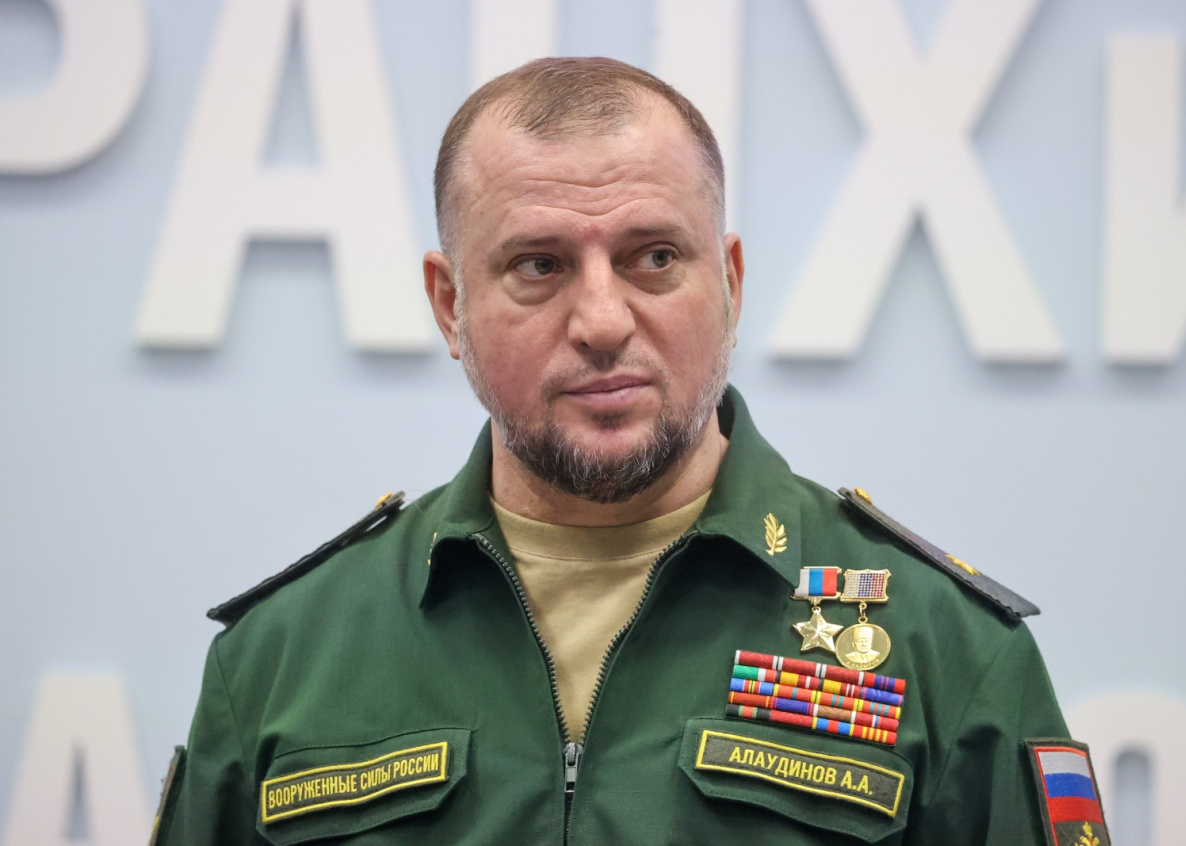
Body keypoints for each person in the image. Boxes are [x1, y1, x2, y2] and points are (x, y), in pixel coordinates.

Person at [152, 57, 1107, 845]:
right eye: (539, 266)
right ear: (450, 306)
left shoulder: (947, 650)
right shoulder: (279, 659)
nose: (603, 321)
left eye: (654, 257)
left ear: (729, 283)